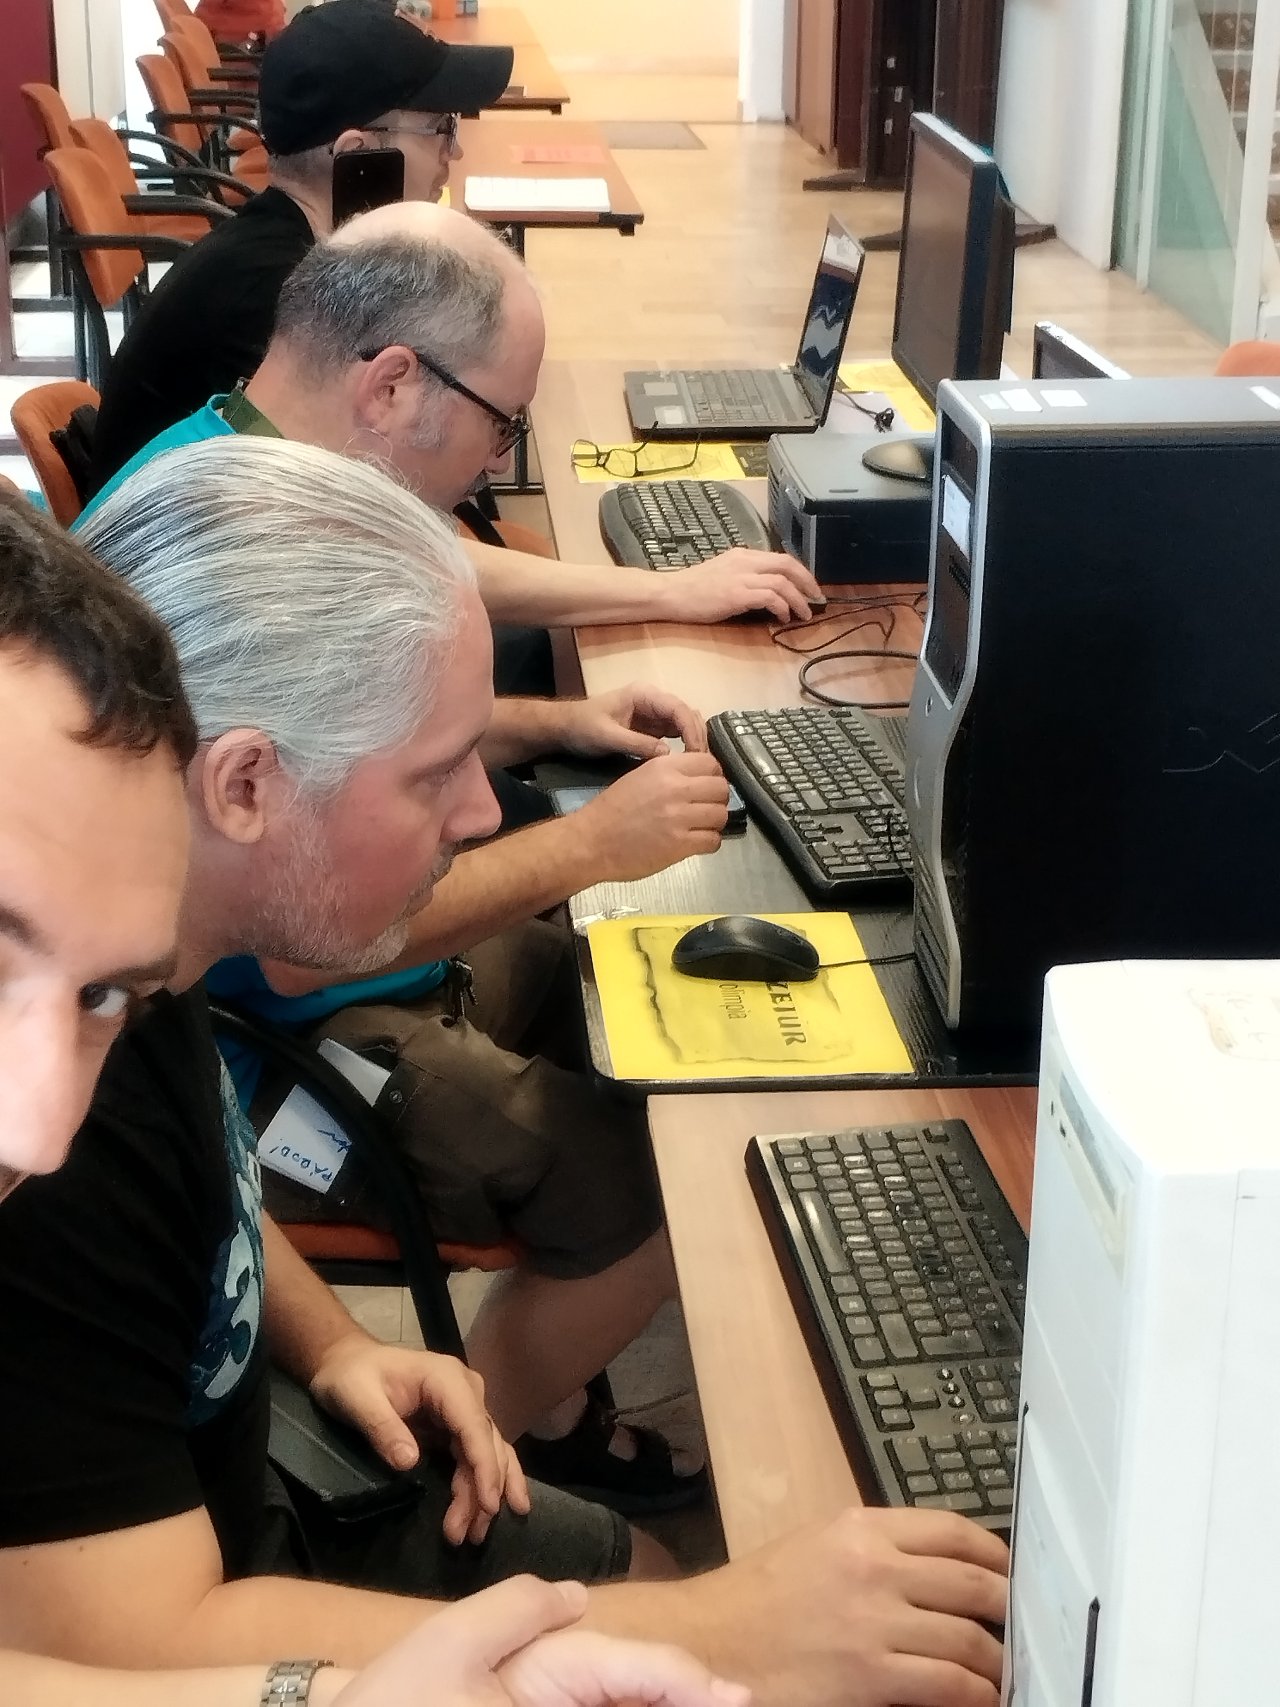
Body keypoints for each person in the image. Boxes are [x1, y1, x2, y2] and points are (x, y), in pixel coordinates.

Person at [0, 446, 1009, 1707]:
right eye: (435, 771)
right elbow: (112, 1645)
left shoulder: (123, 972)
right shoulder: (63, 1130)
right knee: (675, 1601)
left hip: (238, 1452)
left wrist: (330, 1343)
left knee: (647, 1575)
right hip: (195, 1584)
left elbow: (201, 1175)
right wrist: (713, 1628)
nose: (483, 811)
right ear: (244, 783)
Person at [76, 212, 740, 1510]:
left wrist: (549, 724)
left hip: (286, 985)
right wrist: (586, 841)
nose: (497, 461)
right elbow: (295, 938)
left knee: (618, 976)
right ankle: (468, 1461)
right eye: (500, 425)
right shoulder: (229, 548)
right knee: (655, 1167)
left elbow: (355, 734)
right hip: (275, 1028)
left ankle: (534, 1392)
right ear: (389, 383)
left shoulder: (239, 471)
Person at [87, 0, 513, 492]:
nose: (454, 151)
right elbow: (350, 491)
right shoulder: (275, 297)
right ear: (358, 154)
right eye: (442, 128)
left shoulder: (288, 251)